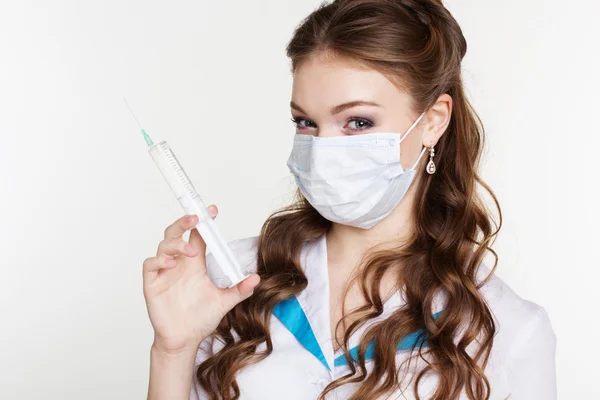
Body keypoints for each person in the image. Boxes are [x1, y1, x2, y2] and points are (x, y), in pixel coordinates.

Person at [143, 1, 557, 399]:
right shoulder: (232, 280)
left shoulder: (507, 330)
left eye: (358, 122)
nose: (322, 148)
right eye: (305, 122)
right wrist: (172, 351)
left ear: (433, 121)